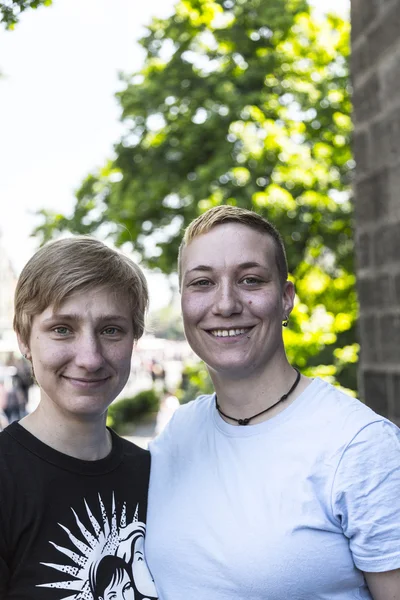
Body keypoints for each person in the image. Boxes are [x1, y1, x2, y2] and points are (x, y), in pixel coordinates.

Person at [146, 205, 400, 600]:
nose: (225, 304)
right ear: (183, 302)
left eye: (249, 280)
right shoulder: (177, 435)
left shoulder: (360, 446)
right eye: (202, 283)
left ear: (285, 299)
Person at [0, 237, 158, 600]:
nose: (90, 357)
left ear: (134, 340)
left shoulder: (153, 474)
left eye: (110, 330)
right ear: (25, 338)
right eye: (62, 329)